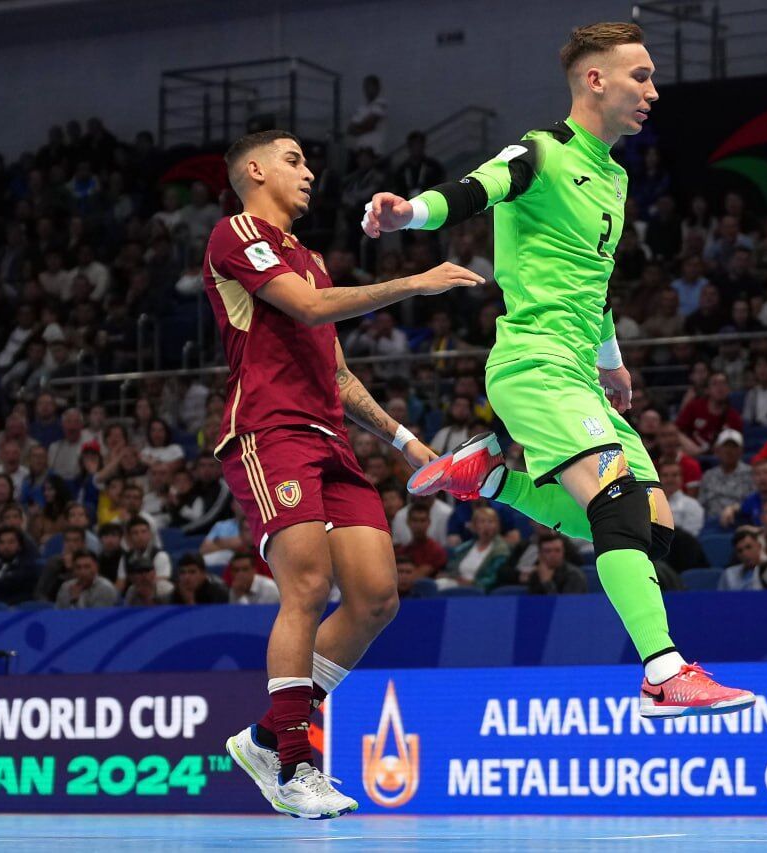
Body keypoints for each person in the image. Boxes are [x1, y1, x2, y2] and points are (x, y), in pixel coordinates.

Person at [371, 22, 751, 719]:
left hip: (581, 369)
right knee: (614, 509)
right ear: (594, 80)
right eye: (640, 75)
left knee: (653, 530)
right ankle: (665, 672)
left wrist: (612, 364)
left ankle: (485, 476)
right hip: (535, 362)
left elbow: (594, 282)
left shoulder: (616, 176)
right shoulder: (542, 152)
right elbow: (475, 189)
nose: (654, 91)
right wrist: (410, 214)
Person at [207, 129, 479, 818]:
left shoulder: (312, 258)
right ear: (254, 169)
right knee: (306, 582)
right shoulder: (234, 233)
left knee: (376, 597)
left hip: (330, 437)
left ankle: (268, 735)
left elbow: (336, 369)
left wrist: (407, 440)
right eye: (293, 161)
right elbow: (307, 307)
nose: (308, 172)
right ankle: (296, 762)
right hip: (270, 429)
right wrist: (417, 281)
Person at [699, 428, 752, 523]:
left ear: (741, 451)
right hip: (711, 524)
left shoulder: (751, 474)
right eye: (725, 446)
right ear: (717, 450)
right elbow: (701, 505)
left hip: (740, 522)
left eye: (734, 447)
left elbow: (753, 503)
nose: (729, 451)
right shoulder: (708, 476)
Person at [658, 460, 703, 537]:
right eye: (665, 475)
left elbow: (691, 536)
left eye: (674, 475)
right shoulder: (650, 504)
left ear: (682, 478)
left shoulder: (692, 505)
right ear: (658, 479)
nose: (669, 480)